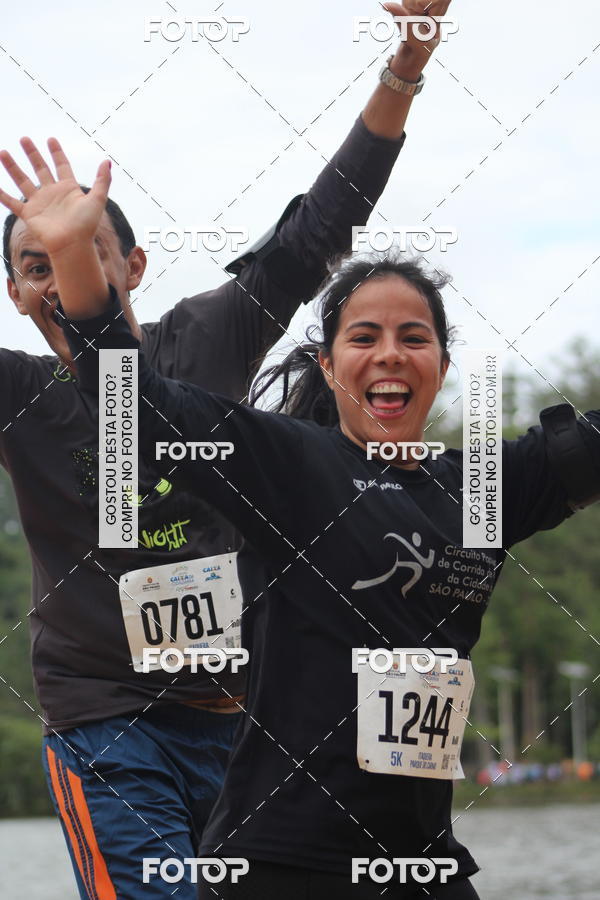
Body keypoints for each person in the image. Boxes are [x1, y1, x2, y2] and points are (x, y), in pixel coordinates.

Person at [9, 117, 600, 899]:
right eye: (364, 336)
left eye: (413, 337)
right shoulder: (287, 465)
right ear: (328, 361)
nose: (389, 353)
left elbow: (318, 230)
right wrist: (81, 280)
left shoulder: (479, 490)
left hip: (392, 842)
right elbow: (134, 401)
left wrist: (405, 67)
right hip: (196, 789)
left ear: (445, 363)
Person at [0, 3, 449, 894]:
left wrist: (409, 55)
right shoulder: (20, 396)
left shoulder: (207, 337)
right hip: (107, 724)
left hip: (248, 725)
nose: (57, 278)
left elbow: (323, 225)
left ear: (133, 265)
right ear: (15, 293)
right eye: (35, 264)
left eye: (82, 250)